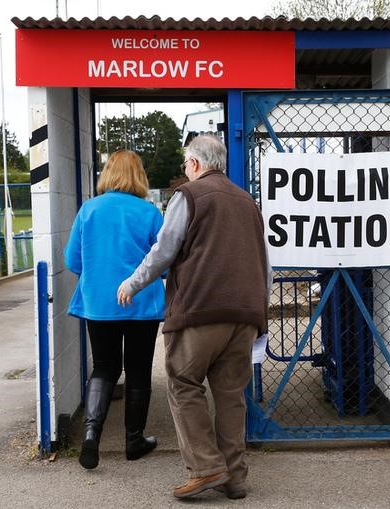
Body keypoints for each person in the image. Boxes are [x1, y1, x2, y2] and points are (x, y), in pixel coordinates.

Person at [117, 135, 269, 500]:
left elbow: (164, 250)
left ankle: (205, 467)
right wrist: (259, 312)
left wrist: (133, 283)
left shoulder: (188, 196)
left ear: (197, 164)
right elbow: (265, 262)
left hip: (200, 311)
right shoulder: (248, 201)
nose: (184, 170)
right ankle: (235, 478)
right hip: (245, 314)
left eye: (186, 164)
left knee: (184, 383)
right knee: (231, 395)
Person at [65, 150, 165, 470]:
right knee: (137, 370)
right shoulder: (150, 213)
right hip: (142, 304)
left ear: (108, 173)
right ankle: (134, 441)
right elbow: (162, 264)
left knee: (105, 367)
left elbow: (72, 261)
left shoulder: (89, 210)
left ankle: (92, 435)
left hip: (99, 304)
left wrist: (100, 273)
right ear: (139, 176)